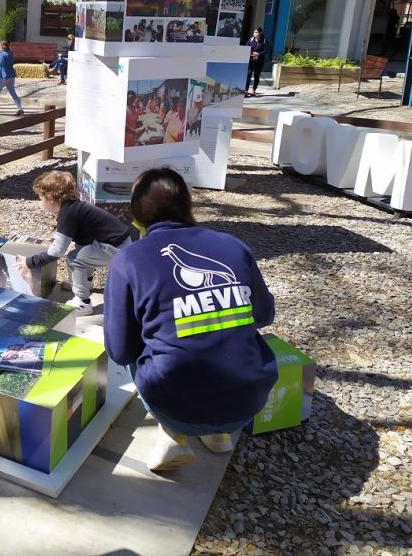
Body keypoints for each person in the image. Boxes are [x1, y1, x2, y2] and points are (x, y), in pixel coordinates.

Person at [103, 168, 278, 472]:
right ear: (188, 205)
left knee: (146, 347)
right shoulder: (232, 245)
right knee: (227, 334)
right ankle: (219, 433)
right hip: (248, 402)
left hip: (177, 407)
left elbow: (119, 351)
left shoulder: (129, 259)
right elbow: (263, 314)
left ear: (137, 214)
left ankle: (172, 435)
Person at [16, 171, 131, 316]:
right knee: (81, 250)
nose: (40, 202)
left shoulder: (67, 214)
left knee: (74, 259)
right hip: (119, 244)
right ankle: (85, 284)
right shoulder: (73, 207)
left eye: (40, 197)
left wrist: (31, 262)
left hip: (117, 249)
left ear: (50, 198)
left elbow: (58, 250)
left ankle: (83, 303)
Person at [0, 40, 23, 116]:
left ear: (2, 47)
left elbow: (3, 67)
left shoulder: (2, 55)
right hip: (11, 76)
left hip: (2, 77)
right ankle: (20, 109)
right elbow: (8, 64)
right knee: (13, 93)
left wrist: (4, 76)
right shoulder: (10, 53)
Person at [246, 27, 268, 96]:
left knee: (257, 75)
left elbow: (266, 50)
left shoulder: (264, 40)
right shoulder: (251, 39)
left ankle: (254, 90)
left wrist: (258, 54)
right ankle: (246, 90)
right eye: (254, 32)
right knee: (248, 74)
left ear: (260, 33)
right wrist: (251, 53)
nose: (255, 34)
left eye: (256, 32)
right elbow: (246, 47)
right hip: (251, 60)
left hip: (260, 61)